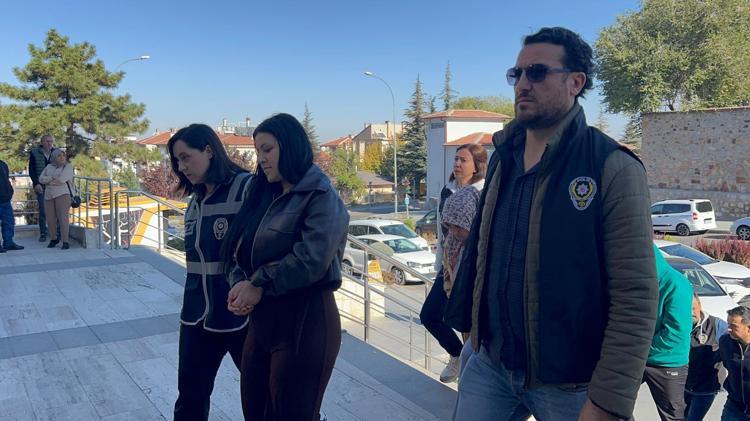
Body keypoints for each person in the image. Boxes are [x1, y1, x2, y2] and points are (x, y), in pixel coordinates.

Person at [445, 26, 658, 421]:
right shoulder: (504, 157)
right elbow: (482, 250)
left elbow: (636, 294)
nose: (523, 84)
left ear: (575, 82)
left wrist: (609, 400)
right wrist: (472, 329)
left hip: (571, 385)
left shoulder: (611, 166)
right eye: (517, 74)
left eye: (538, 72)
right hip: (490, 365)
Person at [222, 113, 348, 420]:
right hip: (262, 323)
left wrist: (258, 284)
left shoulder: (321, 195)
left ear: (290, 147)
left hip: (306, 321)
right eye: (258, 151)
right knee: (256, 412)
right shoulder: (261, 192)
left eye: (268, 149)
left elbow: (312, 259)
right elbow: (236, 251)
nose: (261, 159)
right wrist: (240, 285)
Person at [168, 124, 252, 421]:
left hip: (240, 314)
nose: (181, 167)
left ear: (208, 150)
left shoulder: (246, 187)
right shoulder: (196, 200)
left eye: (185, 157)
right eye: (177, 160)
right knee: (190, 398)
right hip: (196, 317)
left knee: (264, 395)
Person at [419, 144, 486, 383]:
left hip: (472, 267)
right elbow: (442, 233)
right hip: (448, 265)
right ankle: (456, 354)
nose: (457, 164)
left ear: (477, 166)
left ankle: (472, 376)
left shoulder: (484, 191)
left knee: (468, 323)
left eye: (463, 160)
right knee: (430, 315)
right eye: (456, 159)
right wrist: (440, 265)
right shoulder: (447, 191)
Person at [638, 244, 693, 421]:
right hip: (638, 356)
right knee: (613, 404)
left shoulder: (676, 283)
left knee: (672, 416)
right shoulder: (635, 282)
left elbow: (675, 333)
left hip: (668, 361)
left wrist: (638, 350)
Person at [685, 293, 727, 421]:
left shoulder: (717, 325)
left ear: (700, 306)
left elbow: (734, 346)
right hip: (682, 384)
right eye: (686, 309)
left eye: (693, 308)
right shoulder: (679, 324)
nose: (690, 313)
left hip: (706, 388)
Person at [38, 149, 74, 250]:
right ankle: (53, 238)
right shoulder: (49, 166)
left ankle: (65, 241)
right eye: (59, 155)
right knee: (50, 218)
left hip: (63, 194)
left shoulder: (67, 167)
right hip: (49, 195)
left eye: (63, 155)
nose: (62, 157)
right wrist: (53, 178)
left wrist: (49, 180)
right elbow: (41, 179)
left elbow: (61, 179)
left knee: (63, 218)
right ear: (54, 157)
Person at [719, 306, 750, 420]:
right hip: (734, 406)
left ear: (748, 328)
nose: (729, 329)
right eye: (728, 324)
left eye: (733, 326)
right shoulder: (725, 342)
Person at [28, 134, 56, 242]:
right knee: (43, 210)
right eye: (47, 141)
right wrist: (36, 183)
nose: (49, 143)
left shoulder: (56, 153)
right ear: (42, 142)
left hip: (54, 186)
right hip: (41, 185)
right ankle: (43, 233)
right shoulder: (34, 153)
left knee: (56, 210)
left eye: (51, 141)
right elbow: (31, 170)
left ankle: (57, 233)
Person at [0, 159, 24, 253]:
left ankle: (8, 243)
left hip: (5, 199)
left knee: (9, 222)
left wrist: (10, 191)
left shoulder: (3, 164)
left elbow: (6, 179)